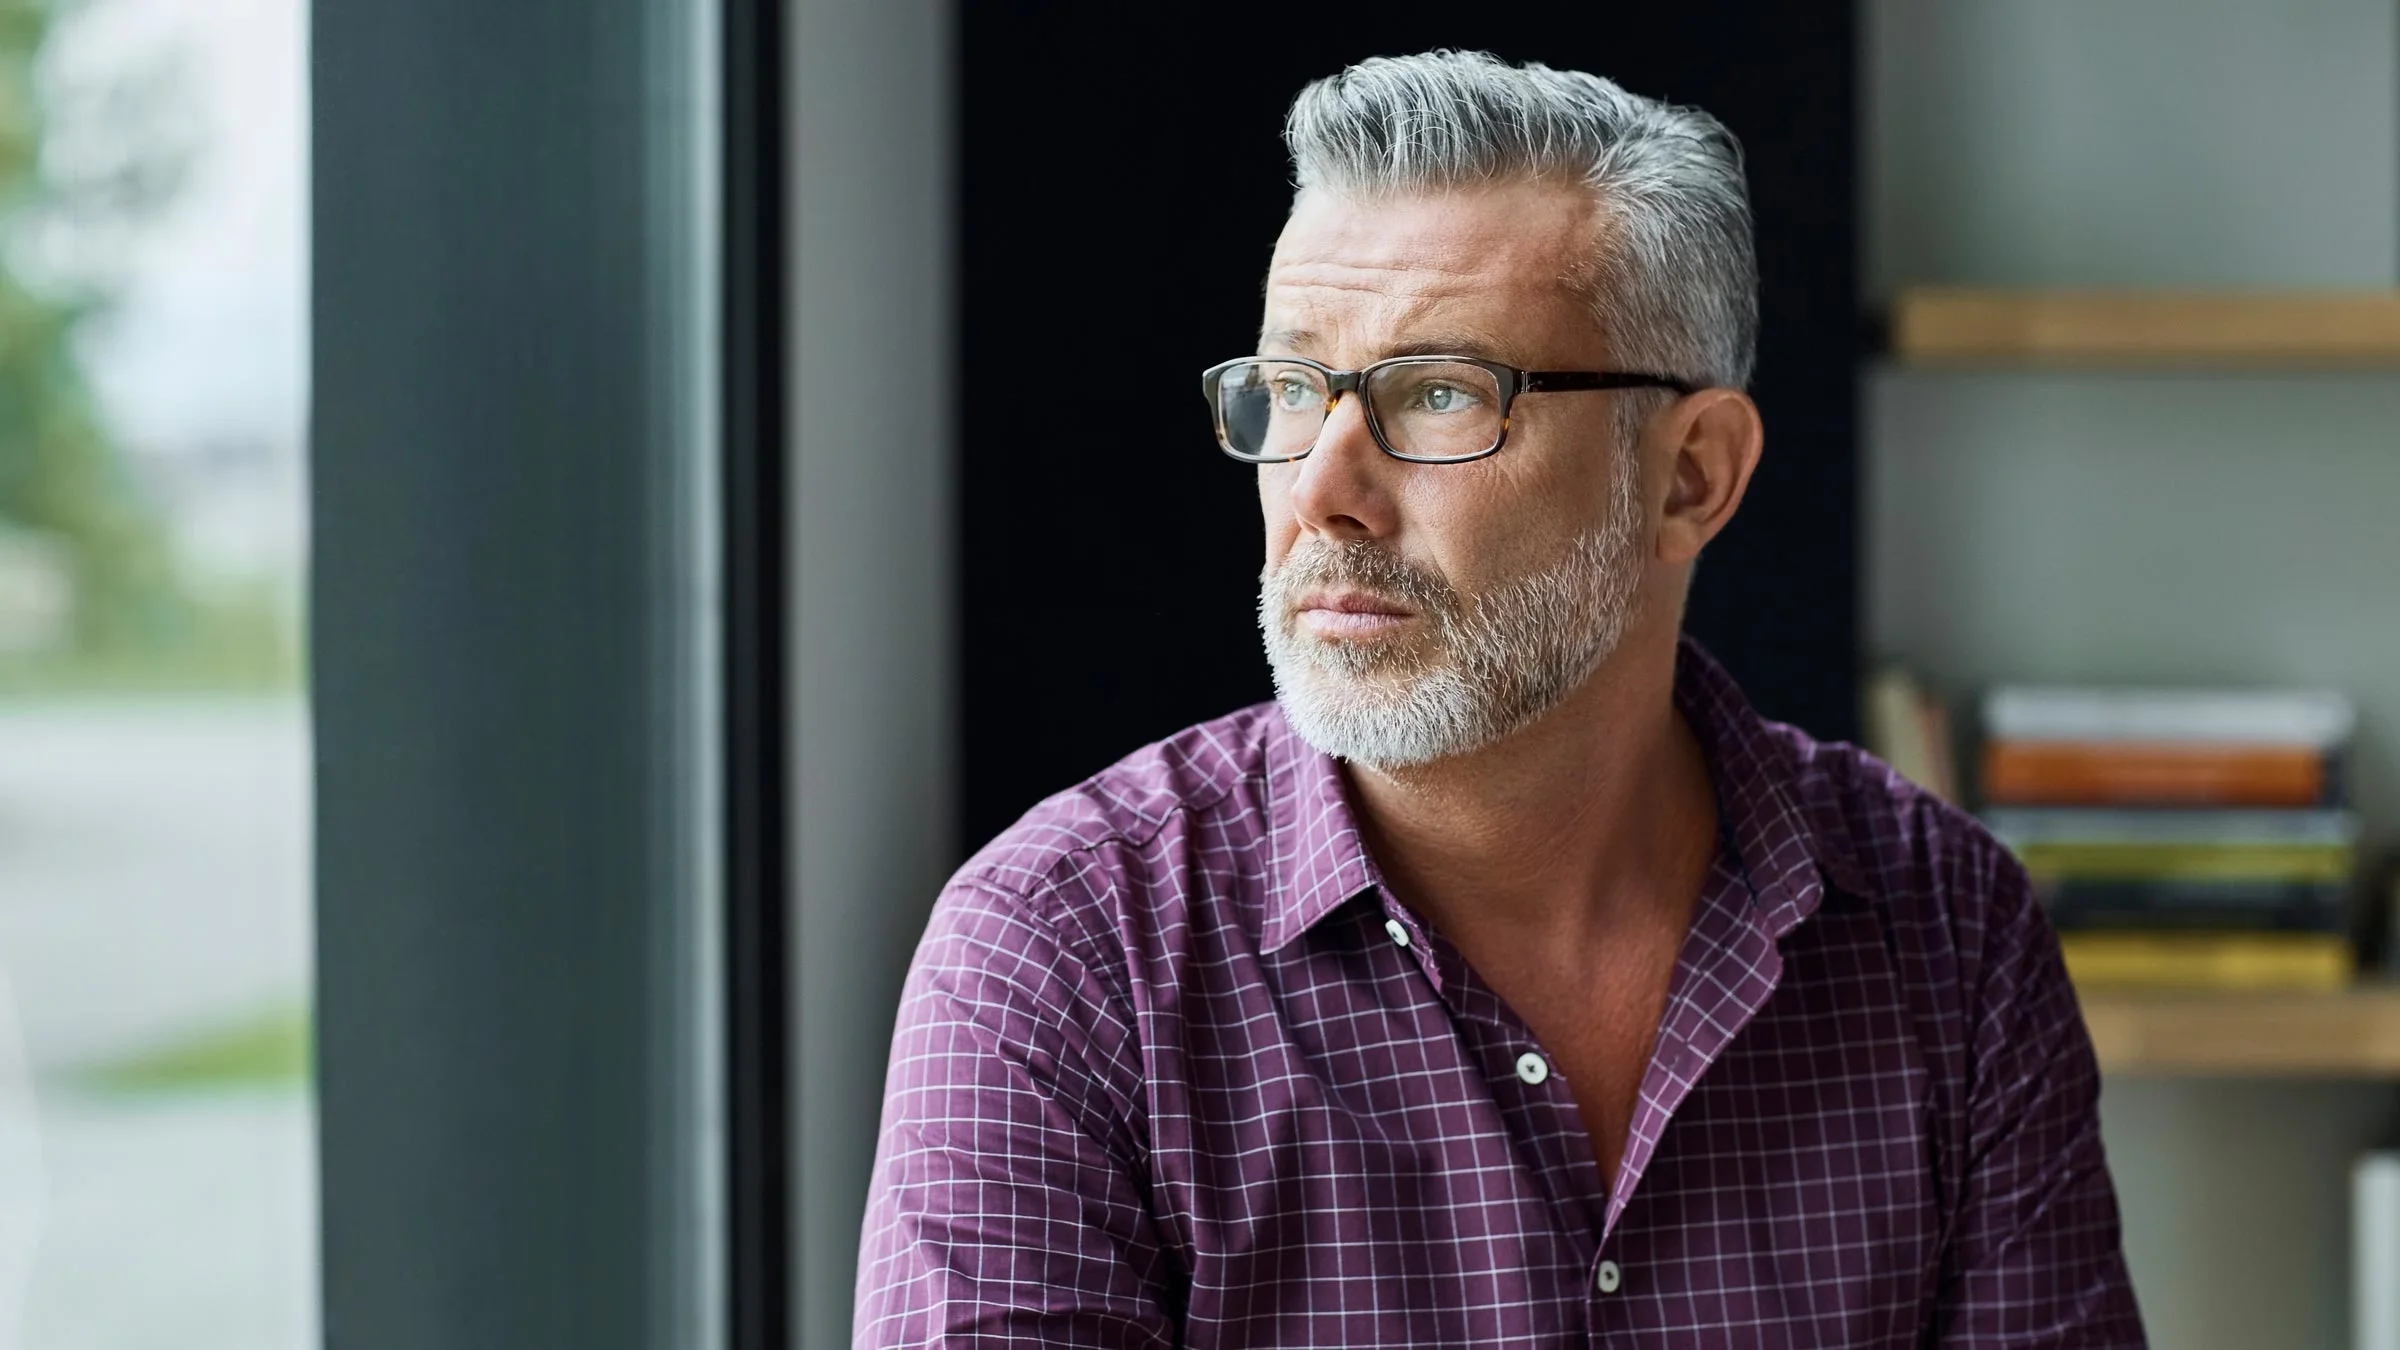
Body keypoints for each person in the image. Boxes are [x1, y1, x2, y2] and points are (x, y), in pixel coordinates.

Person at [857, 50, 2144, 1348]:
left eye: (1440, 394)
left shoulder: (1946, 933)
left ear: (1691, 475)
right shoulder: (1064, 953)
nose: (1321, 490)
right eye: (1293, 391)